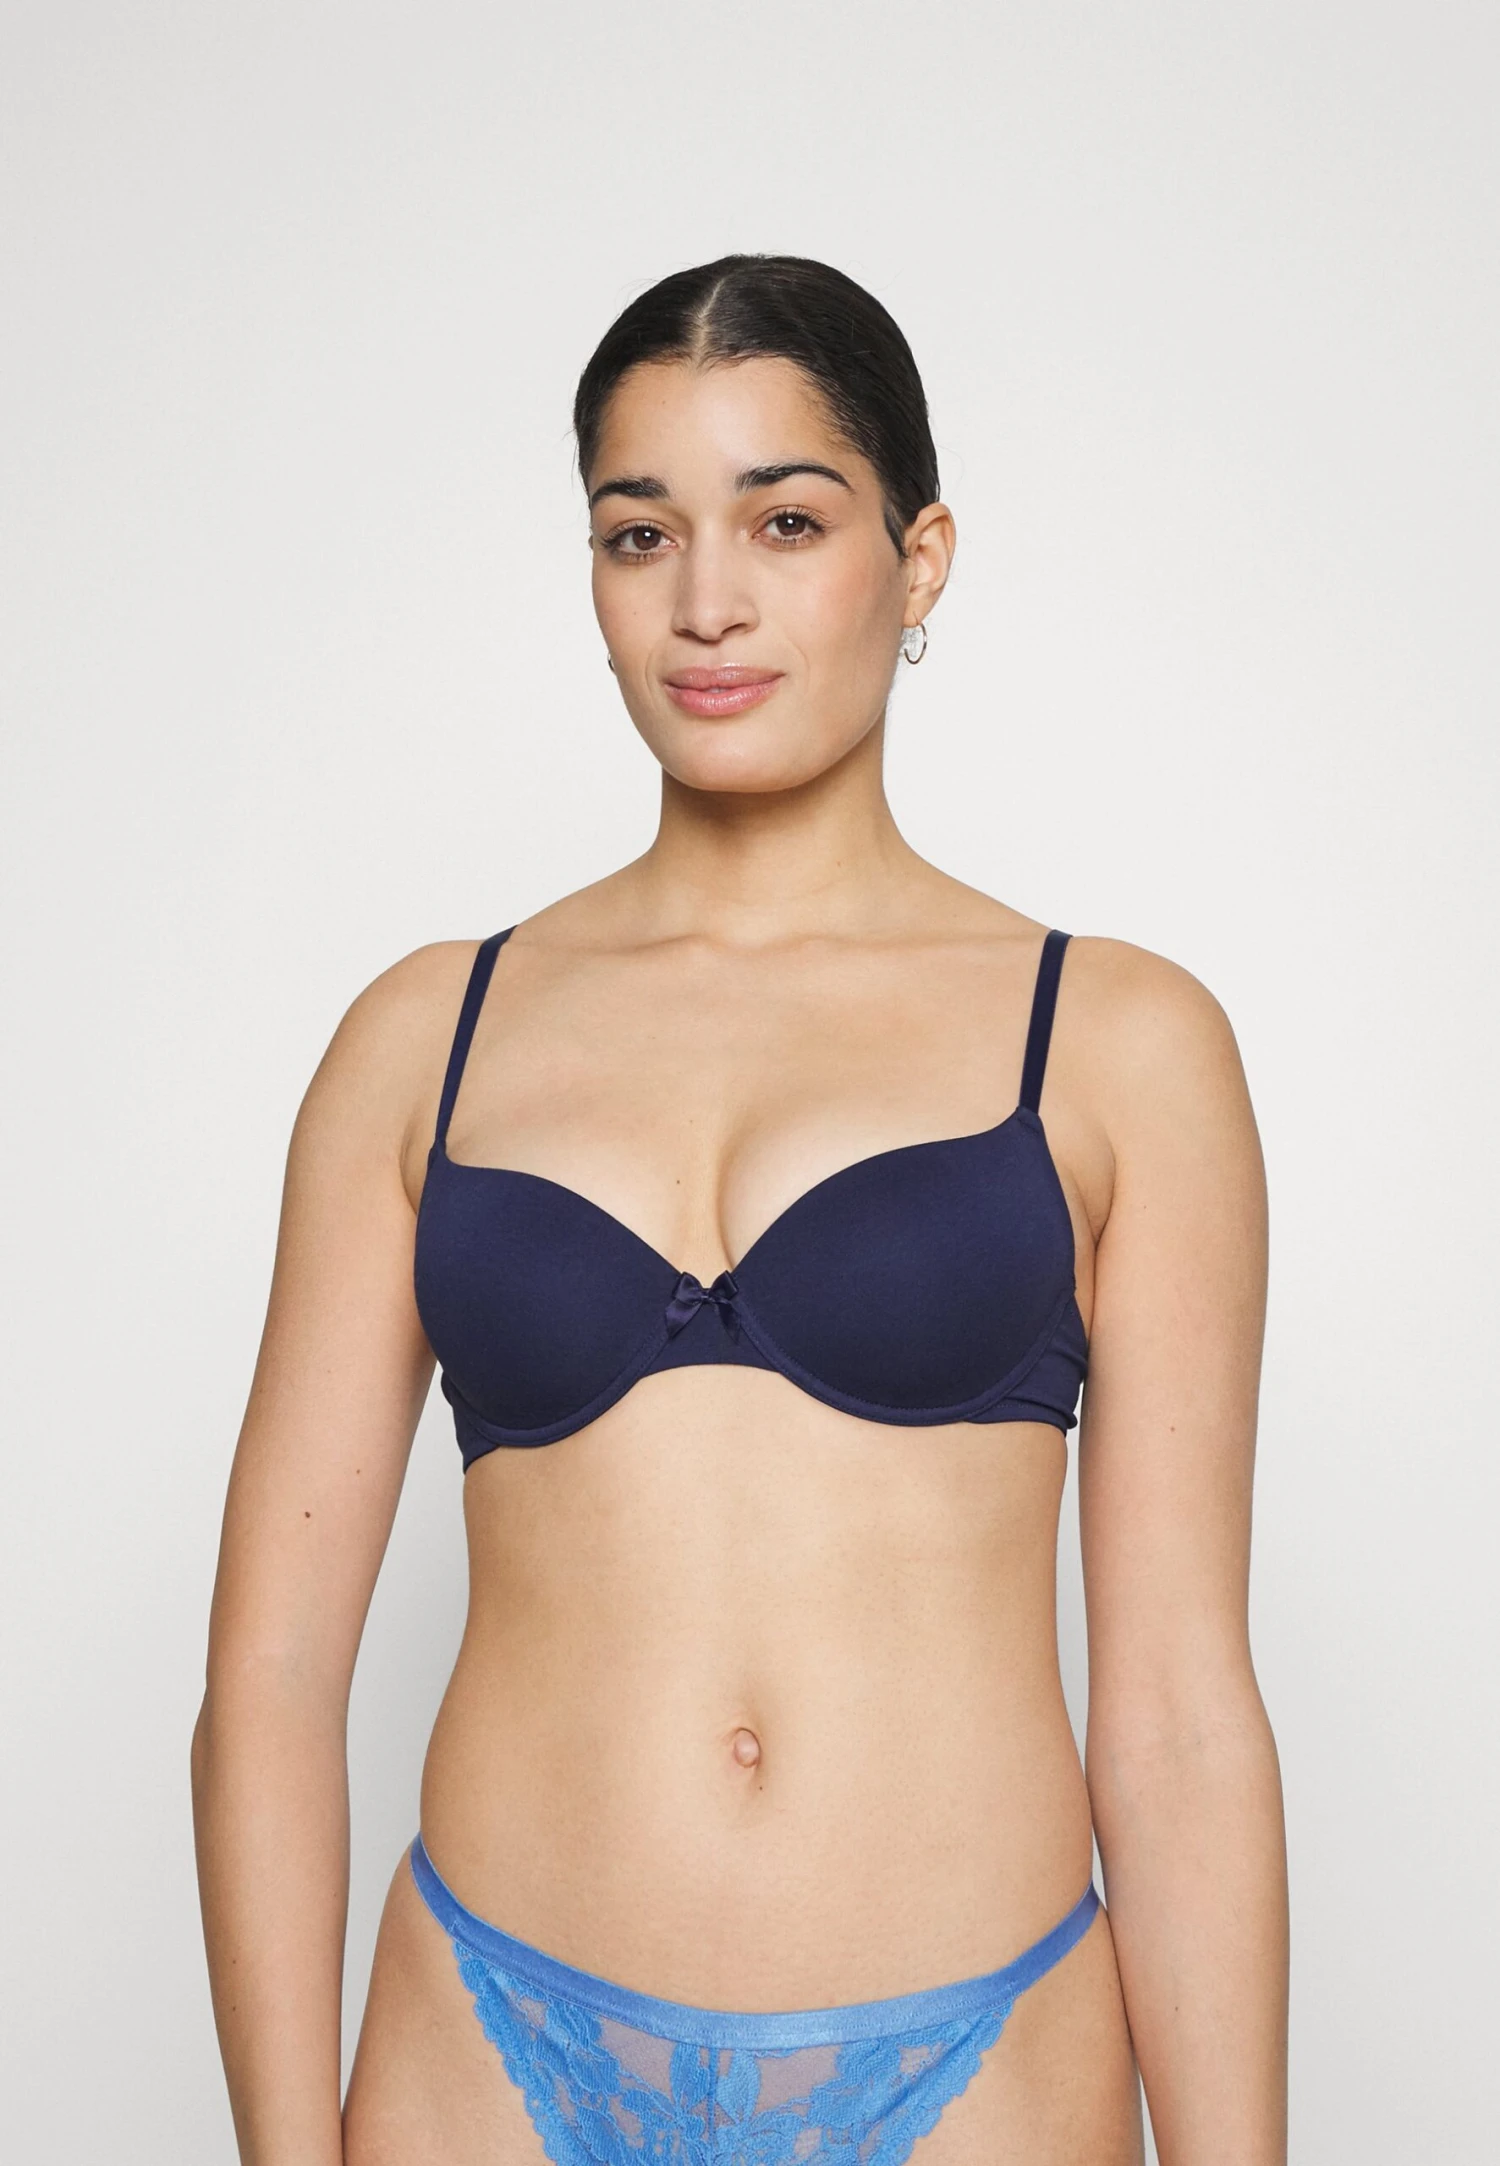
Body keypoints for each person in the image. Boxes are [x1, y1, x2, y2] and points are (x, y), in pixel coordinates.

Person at [192, 254, 1288, 2166]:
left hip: (978, 2056)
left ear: (919, 560)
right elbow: (270, 1683)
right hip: (491, 2046)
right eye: (642, 533)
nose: (707, 601)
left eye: (786, 521)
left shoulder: (1119, 1042)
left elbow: (1182, 1714)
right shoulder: (427, 1036)